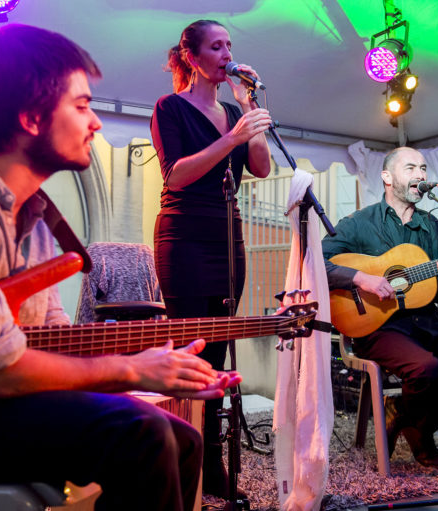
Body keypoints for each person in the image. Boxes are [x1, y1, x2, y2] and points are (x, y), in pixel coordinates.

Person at [0, 24, 240, 511]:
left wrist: (161, 366)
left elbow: (54, 342)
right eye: (81, 106)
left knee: (183, 441)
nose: (95, 122)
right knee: (140, 435)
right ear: (31, 117)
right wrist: (133, 369)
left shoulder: (36, 218)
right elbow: (0, 373)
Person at [321, 146, 438, 469]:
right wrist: (361, 278)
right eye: (410, 168)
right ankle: (421, 436)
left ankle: (407, 418)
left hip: (427, 323)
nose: (420, 174)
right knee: (427, 370)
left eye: (423, 168)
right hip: (378, 327)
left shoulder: (431, 226)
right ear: (387, 177)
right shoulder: (359, 223)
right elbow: (316, 263)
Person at [149, 19, 272, 498]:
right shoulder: (170, 108)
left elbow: (260, 167)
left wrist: (248, 109)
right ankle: (181, 460)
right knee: (191, 351)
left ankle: (213, 464)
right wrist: (231, 138)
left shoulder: (234, 111)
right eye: (216, 46)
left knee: (218, 352)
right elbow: (176, 175)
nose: (227, 54)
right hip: (183, 237)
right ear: (192, 56)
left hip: (227, 237)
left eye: (229, 45)